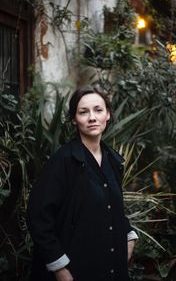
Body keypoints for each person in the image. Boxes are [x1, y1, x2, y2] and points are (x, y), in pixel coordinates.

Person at [27, 86, 138, 281]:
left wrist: (129, 235)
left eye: (98, 110)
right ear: (74, 119)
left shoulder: (113, 160)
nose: (92, 118)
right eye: (83, 112)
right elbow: (38, 217)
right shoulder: (61, 162)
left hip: (110, 266)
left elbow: (111, 206)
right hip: (76, 268)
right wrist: (59, 268)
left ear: (108, 115)